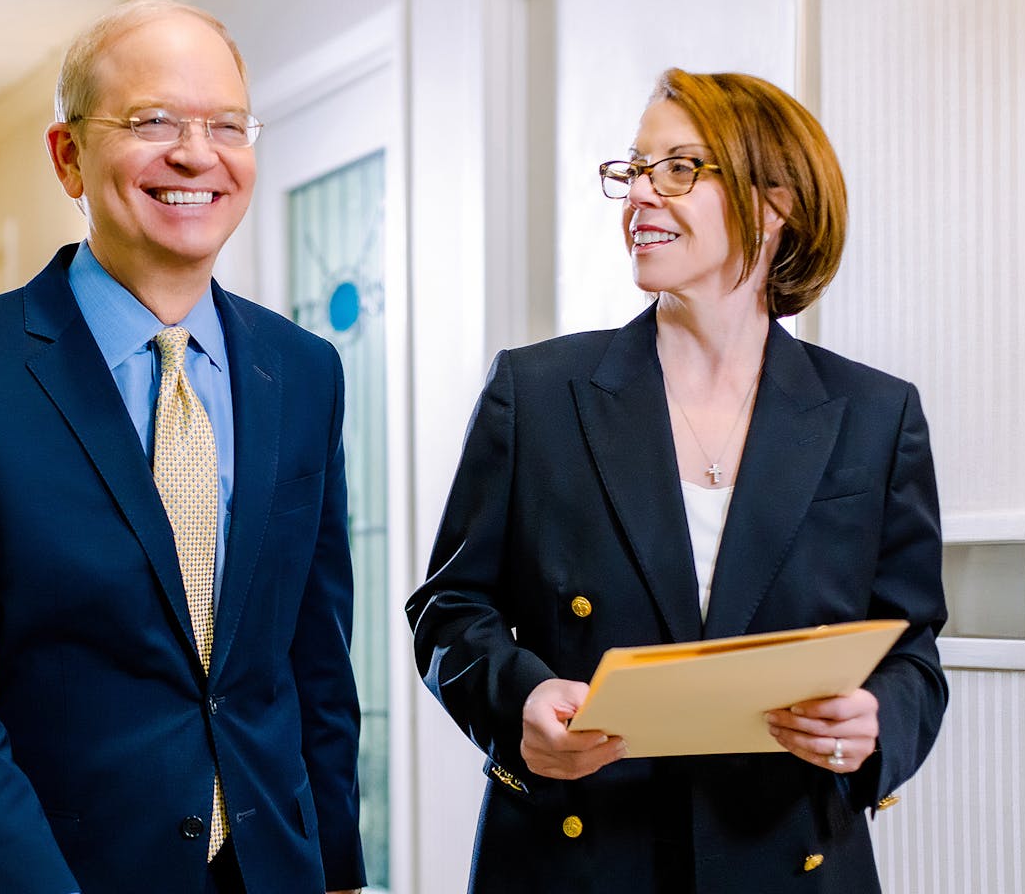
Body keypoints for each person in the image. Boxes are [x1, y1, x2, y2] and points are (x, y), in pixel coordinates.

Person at [0, 2, 366, 893]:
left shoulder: (306, 372)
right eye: (153, 122)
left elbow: (315, 661)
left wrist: (333, 869)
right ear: (68, 156)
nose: (196, 154)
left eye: (226, 126)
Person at [406, 68, 947, 893]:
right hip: (575, 853)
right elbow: (449, 611)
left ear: (777, 204)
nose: (641, 196)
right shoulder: (538, 392)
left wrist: (878, 721)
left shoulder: (876, 415)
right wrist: (518, 701)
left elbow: (911, 648)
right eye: (633, 170)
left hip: (788, 856)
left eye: (680, 169)